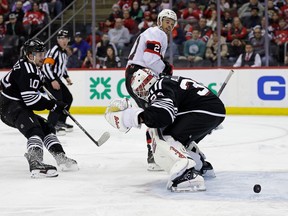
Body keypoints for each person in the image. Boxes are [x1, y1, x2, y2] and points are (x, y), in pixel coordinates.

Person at [105, 69, 226, 192]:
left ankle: (187, 174)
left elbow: (164, 115)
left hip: (203, 110)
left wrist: (136, 117)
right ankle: (200, 165)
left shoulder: (158, 87)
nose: (141, 94)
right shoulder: (166, 82)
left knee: (165, 135)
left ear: (145, 84)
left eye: (140, 90)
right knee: (173, 134)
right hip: (209, 109)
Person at [0, 38, 78, 178]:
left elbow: (32, 86)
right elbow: (31, 100)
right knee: (34, 130)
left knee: (47, 127)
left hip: (15, 105)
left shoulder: (30, 65)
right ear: (30, 55)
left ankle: (60, 158)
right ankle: (36, 163)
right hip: (10, 107)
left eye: (44, 53)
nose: (43, 57)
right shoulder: (28, 71)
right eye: (40, 54)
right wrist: (53, 105)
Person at [125, 9, 177, 171]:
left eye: (172, 22)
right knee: (156, 114)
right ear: (160, 21)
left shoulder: (155, 33)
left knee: (154, 113)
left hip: (138, 75)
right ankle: (154, 156)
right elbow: (150, 59)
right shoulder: (157, 33)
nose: (169, 24)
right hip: (140, 76)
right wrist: (165, 67)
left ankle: (155, 154)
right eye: (167, 21)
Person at [42, 29, 74, 134]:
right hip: (49, 78)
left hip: (56, 78)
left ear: (68, 40)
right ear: (57, 40)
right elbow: (46, 66)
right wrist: (52, 80)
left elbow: (61, 67)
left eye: (65, 38)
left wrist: (66, 76)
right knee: (58, 101)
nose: (63, 40)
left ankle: (60, 121)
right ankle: (51, 125)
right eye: (61, 38)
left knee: (68, 98)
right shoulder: (54, 50)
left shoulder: (64, 52)